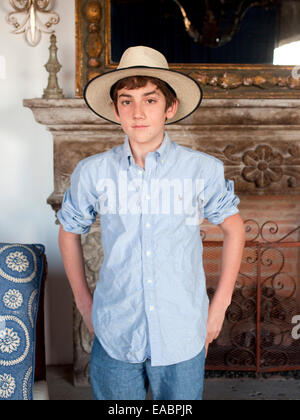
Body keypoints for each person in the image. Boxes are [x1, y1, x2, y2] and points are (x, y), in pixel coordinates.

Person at [58, 46, 246, 400]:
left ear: (170, 107)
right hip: (116, 331)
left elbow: (235, 229)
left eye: (150, 100)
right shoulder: (92, 172)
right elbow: (69, 230)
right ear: (115, 109)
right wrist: (85, 305)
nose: (138, 112)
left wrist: (217, 309)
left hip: (181, 332)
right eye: (127, 101)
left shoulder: (201, 170)